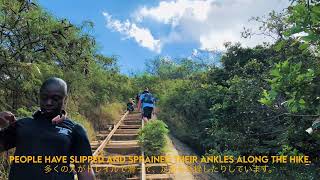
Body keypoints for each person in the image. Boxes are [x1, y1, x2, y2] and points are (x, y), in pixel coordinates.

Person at [0, 77, 95, 180]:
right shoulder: (22, 125)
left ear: (65, 99)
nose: (49, 103)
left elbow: (85, 170)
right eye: (44, 97)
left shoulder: (75, 130)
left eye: (55, 98)